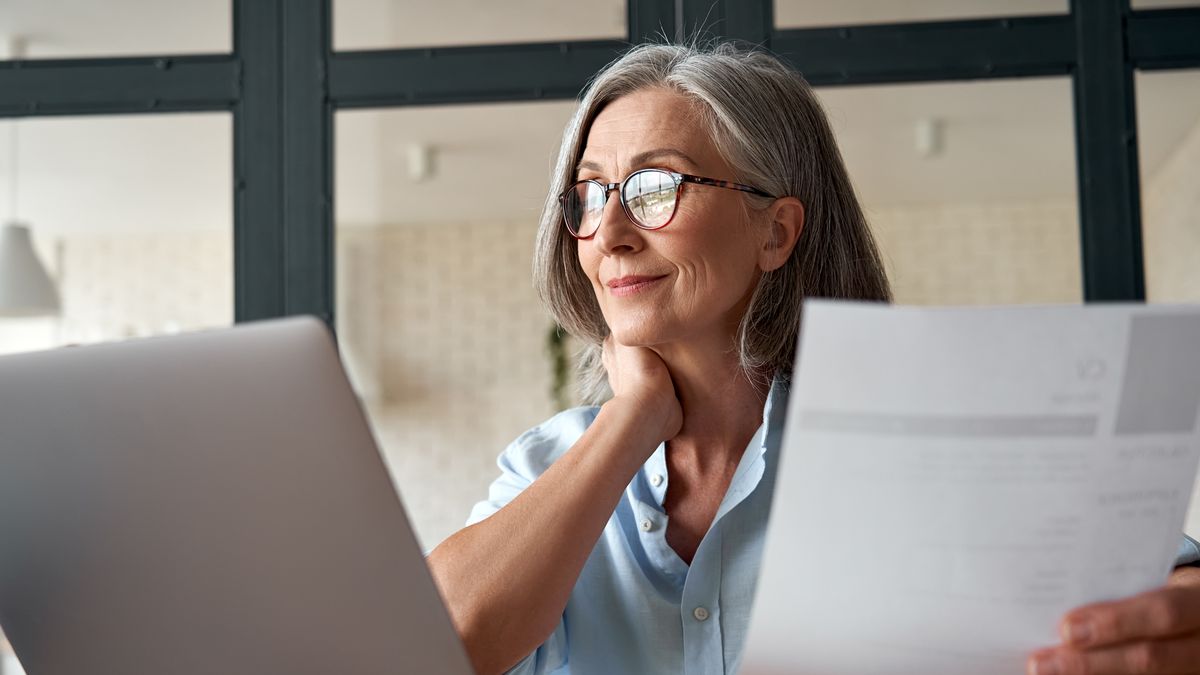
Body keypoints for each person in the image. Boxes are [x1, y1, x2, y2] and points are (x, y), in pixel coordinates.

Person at [426, 42, 1200, 675]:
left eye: (655, 187)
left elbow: (1163, 582)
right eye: (589, 196)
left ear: (776, 231)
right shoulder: (546, 467)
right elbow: (436, 645)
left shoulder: (917, 440)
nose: (612, 232)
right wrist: (631, 420)